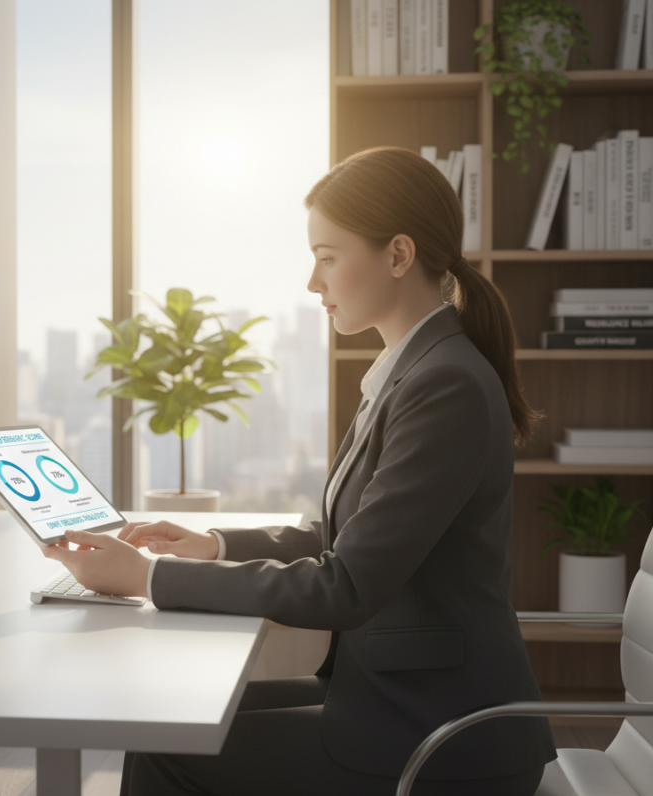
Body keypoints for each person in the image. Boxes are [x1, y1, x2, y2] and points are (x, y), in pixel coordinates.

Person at [42, 146, 556, 795]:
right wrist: (213, 545)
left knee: (167, 752)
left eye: (327, 258)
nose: (314, 283)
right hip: (394, 699)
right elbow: (345, 539)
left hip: (444, 736)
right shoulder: (415, 372)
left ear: (398, 256)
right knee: (165, 728)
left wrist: (148, 576)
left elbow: (344, 586)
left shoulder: (443, 384)